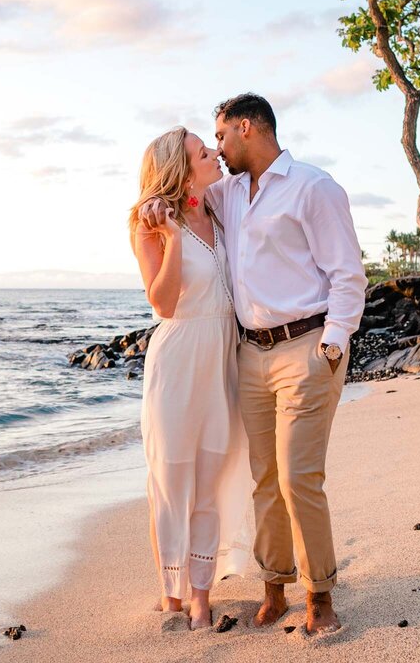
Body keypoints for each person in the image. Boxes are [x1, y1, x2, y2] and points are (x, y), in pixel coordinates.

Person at [140, 94, 366, 635]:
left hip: (307, 348)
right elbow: (173, 192)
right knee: (264, 478)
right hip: (246, 353)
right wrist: (153, 210)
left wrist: (332, 345)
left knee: (297, 477)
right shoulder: (227, 193)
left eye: (219, 137)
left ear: (246, 128)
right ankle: (274, 586)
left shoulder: (314, 187)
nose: (215, 149)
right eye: (208, 145)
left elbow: (348, 275)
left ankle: (320, 597)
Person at [128, 126, 253, 630]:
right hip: (177, 364)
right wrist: (174, 238)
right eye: (205, 153)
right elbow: (162, 303)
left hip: (221, 359)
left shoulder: (219, 209)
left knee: (208, 481)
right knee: (170, 481)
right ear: (182, 173)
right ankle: (172, 596)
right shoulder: (150, 225)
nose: (216, 155)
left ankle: (201, 596)